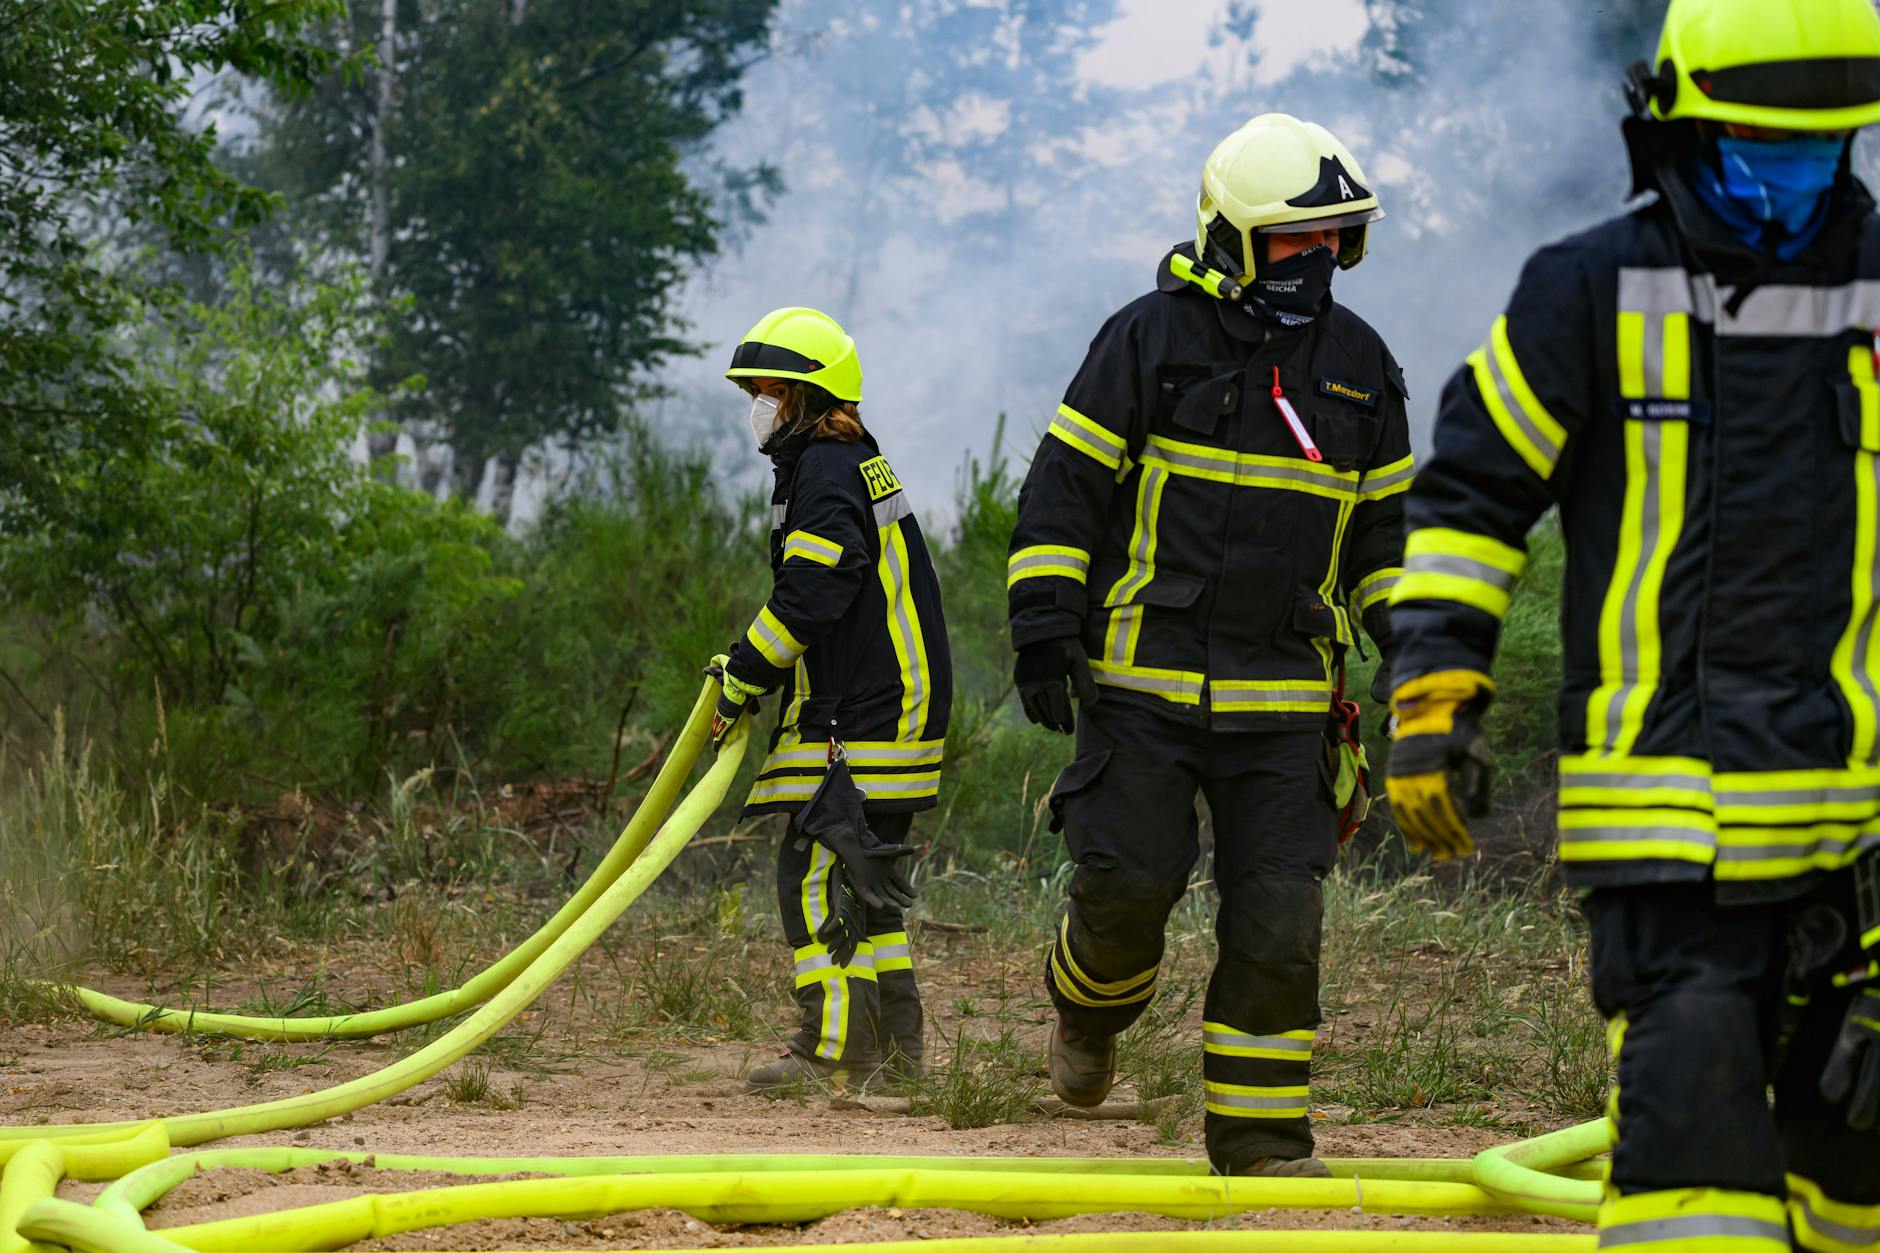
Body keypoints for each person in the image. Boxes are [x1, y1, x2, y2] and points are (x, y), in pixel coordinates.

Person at [1384, 0, 1880, 1246]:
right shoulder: (1587, 290)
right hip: (1671, 847)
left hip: (1864, 859)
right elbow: (1469, 497)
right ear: (1674, 129)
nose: (1790, 181)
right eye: (1759, 147)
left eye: (1819, 148)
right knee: (1690, 1200)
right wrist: (1432, 686)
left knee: (1850, 1204)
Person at [1007, 113, 1413, 1178]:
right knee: (1126, 890)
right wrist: (1043, 624)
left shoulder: (1361, 369)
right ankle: (1087, 1011)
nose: (1315, 257)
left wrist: (1414, 650)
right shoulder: (1145, 340)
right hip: (1141, 685)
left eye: (1331, 238)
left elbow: (1384, 541)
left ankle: (1263, 1142)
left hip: (1284, 702)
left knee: (1279, 922)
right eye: (1292, 239)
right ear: (1232, 237)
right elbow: (1064, 491)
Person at [713, 306, 952, 1093]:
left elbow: (814, 591)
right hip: (891, 705)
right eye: (756, 392)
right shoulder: (846, 462)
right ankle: (898, 1058)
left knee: (811, 877)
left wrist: (745, 671)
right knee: (866, 891)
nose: (761, 406)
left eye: (773, 391)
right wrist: (754, 666)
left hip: (865, 715)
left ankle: (835, 1049)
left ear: (810, 397)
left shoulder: (824, 470)